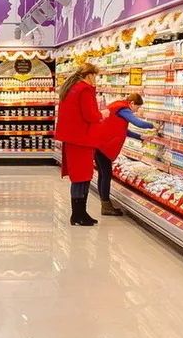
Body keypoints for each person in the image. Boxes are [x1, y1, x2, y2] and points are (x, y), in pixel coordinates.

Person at [91, 93, 158, 216]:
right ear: (132, 103)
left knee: (103, 174)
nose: (136, 111)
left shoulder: (118, 106)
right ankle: (106, 206)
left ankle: (105, 203)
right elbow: (138, 123)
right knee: (106, 175)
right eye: (137, 107)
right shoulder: (123, 109)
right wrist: (153, 125)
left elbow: (123, 130)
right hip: (104, 145)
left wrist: (141, 137)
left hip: (99, 143)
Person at [54, 62, 102, 226]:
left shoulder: (71, 88)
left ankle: (80, 213)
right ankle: (78, 214)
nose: (96, 80)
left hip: (72, 138)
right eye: (95, 76)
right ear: (90, 75)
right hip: (82, 139)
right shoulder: (85, 89)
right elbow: (90, 115)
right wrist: (102, 114)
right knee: (82, 177)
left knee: (78, 177)